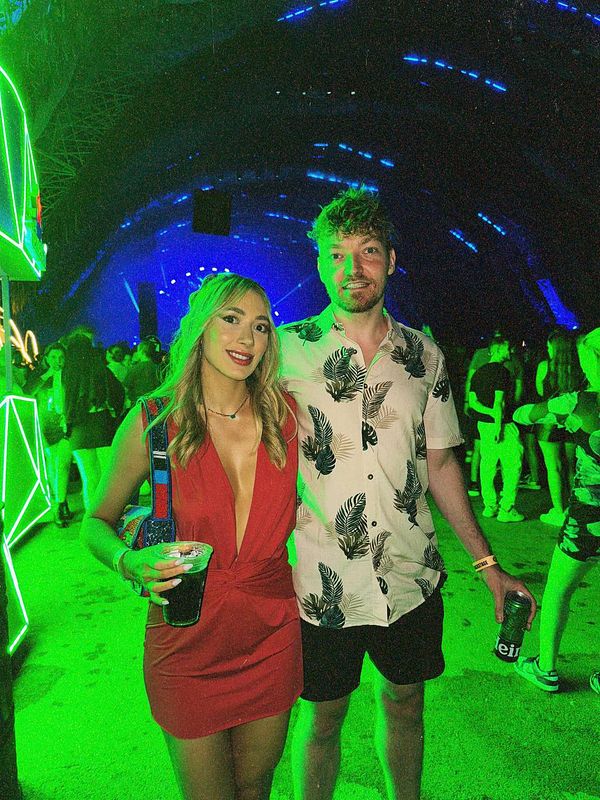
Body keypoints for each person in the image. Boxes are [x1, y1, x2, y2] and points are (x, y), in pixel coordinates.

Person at [278, 187, 536, 800]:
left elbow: (441, 463)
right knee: (321, 720)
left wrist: (489, 566)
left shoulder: (425, 355)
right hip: (320, 581)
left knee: (405, 704)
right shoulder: (286, 351)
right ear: (320, 264)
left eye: (368, 251)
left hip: (410, 575)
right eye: (337, 254)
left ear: (391, 261)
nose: (352, 268)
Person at [80, 273, 302, 800]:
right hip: (186, 640)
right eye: (232, 319)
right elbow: (96, 522)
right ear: (201, 326)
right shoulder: (155, 420)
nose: (247, 339)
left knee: (257, 787)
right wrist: (129, 562)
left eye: (261, 327)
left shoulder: (287, 416)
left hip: (272, 633)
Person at [512, 327, 600, 695]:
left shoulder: (580, 403)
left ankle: (546, 668)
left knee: (558, 590)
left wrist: (555, 412)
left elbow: (525, 414)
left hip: (588, 520)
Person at [62, 332, 125, 511]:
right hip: (100, 423)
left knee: (89, 477)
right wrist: (114, 411)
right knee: (107, 475)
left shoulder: (67, 372)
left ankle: (91, 518)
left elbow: (65, 402)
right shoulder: (99, 367)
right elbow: (118, 391)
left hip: (78, 428)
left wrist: (68, 423)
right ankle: (108, 517)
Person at [468, 334, 525, 522]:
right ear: (498, 349)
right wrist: (498, 425)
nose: (510, 351)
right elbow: (499, 403)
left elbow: (473, 403)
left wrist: (489, 414)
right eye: (507, 348)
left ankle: (489, 506)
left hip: (483, 425)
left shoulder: (479, 372)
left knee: (487, 466)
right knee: (512, 465)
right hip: (503, 426)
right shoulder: (503, 372)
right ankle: (506, 509)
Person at [534, 329, 582, 526]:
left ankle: (558, 511)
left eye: (548, 346)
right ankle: (574, 508)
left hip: (549, 422)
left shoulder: (544, 366)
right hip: (572, 422)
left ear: (554, 347)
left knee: (553, 467)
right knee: (572, 466)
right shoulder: (577, 368)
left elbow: (540, 392)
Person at [25, 342, 74, 526]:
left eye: (61, 357)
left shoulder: (69, 376)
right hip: (47, 426)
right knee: (54, 465)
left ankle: (59, 505)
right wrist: (47, 374)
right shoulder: (40, 376)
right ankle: (61, 501)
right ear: (46, 358)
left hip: (66, 424)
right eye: (53, 357)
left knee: (63, 464)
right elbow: (28, 391)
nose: (57, 361)